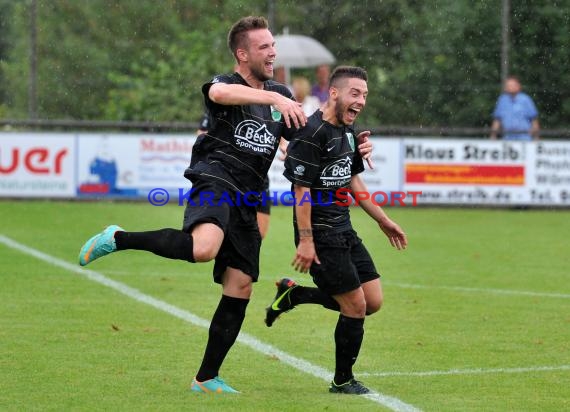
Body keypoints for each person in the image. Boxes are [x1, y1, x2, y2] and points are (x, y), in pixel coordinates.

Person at [77, 17, 373, 394]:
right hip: (216, 179)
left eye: (273, 46)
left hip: (250, 197)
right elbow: (219, 96)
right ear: (242, 53)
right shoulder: (229, 85)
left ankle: (205, 378)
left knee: (240, 286)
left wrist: (352, 144)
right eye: (264, 47)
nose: (272, 53)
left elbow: (310, 136)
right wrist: (277, 98)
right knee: (203, 248)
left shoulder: (278, 93)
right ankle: (118, 238)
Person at [264, 66, 407, 395]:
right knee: (355, 307)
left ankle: (295, 295)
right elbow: (301, 193)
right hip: (320, 234)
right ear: (334, 93)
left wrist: (383, 220)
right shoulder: (310, 134)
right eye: (355, 93)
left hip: (344, 228)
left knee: (372, 302)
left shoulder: (348, 130)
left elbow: (354, 181)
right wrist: (306, 241)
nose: (361, 101)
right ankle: (343, 379)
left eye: (365, 95)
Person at [490, 76, 540, 141]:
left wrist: (536, 138)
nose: (510, 87)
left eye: (512, 85)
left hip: (524, 138)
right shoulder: (502, 100)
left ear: (518, 86)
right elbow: (497, 120)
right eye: (508, 85)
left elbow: (534, 119)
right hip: (507, 138)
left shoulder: (525, 99)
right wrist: (493, 136)